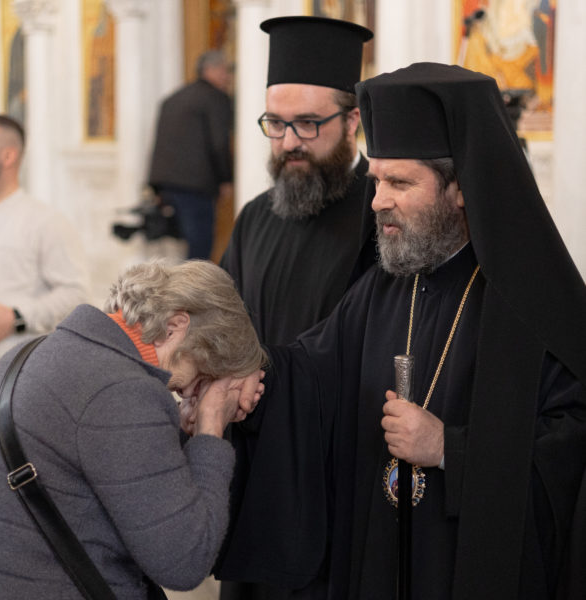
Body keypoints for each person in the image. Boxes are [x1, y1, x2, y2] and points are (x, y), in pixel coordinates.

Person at [213, 63, 586, 599]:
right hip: (377, 559)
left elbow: (568, 456)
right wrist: (246, 375)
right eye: (376, 180)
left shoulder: (533, 302)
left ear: (462, 187)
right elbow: (311, 372)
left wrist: (449, 449)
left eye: (399, 182)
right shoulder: (385, 286)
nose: (377, 201)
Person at [0, 259, 267, 599]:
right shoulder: (121, 391)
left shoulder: (29, 353)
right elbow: (185, 560)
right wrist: (211, 425)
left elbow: (109, 468)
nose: (192, 392)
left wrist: (178, 430)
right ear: (175, 326)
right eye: (204, 372)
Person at [220, 16, 375, 346]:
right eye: (276, 123)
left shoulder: (382, 215)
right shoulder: (254, 217)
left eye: (307, 123)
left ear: (351, 121)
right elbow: (221, 322)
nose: (289, 142)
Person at [0, 114, 90, 366]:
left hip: (14, 370)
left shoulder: (45, 221)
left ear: (8, 156)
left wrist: (16, 317)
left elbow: (76, 294)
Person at [148, 50, 234, 259]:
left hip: (167, 183)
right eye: (224, 70)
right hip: (196, 185)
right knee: (200, 245)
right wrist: (226, 179)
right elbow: (219, 143)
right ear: (209, 70)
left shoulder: (173, 98)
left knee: (179, 245)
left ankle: (181, 280)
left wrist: (156, 185)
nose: (227, 77)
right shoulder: (215, 98)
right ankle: (195, 282)